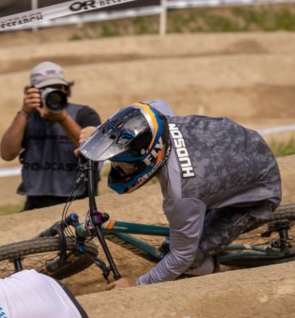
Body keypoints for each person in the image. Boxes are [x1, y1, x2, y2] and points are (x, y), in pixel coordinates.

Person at [77, 100, 282, 288]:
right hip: (244, 143)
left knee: (190, 259)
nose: (118, 168)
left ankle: (206, 273)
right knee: (188, 225)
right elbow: (133, 123)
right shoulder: (158, 118)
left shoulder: (181, 193)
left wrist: (138, 285)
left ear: (146, 162)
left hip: (261, 191)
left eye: (122, 165)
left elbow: (182, 255)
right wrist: (99, 136)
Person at [0, 61, 101, 211]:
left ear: (66, 89)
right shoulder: (27, 118)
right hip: (36, 202)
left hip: (79, 200)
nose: (53, 93)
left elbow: (93, 151)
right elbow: (7, 154)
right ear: (31, 92)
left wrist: (62, 119)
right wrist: (24, 112)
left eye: (58, 88)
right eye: (45, 89)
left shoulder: (84, 114)